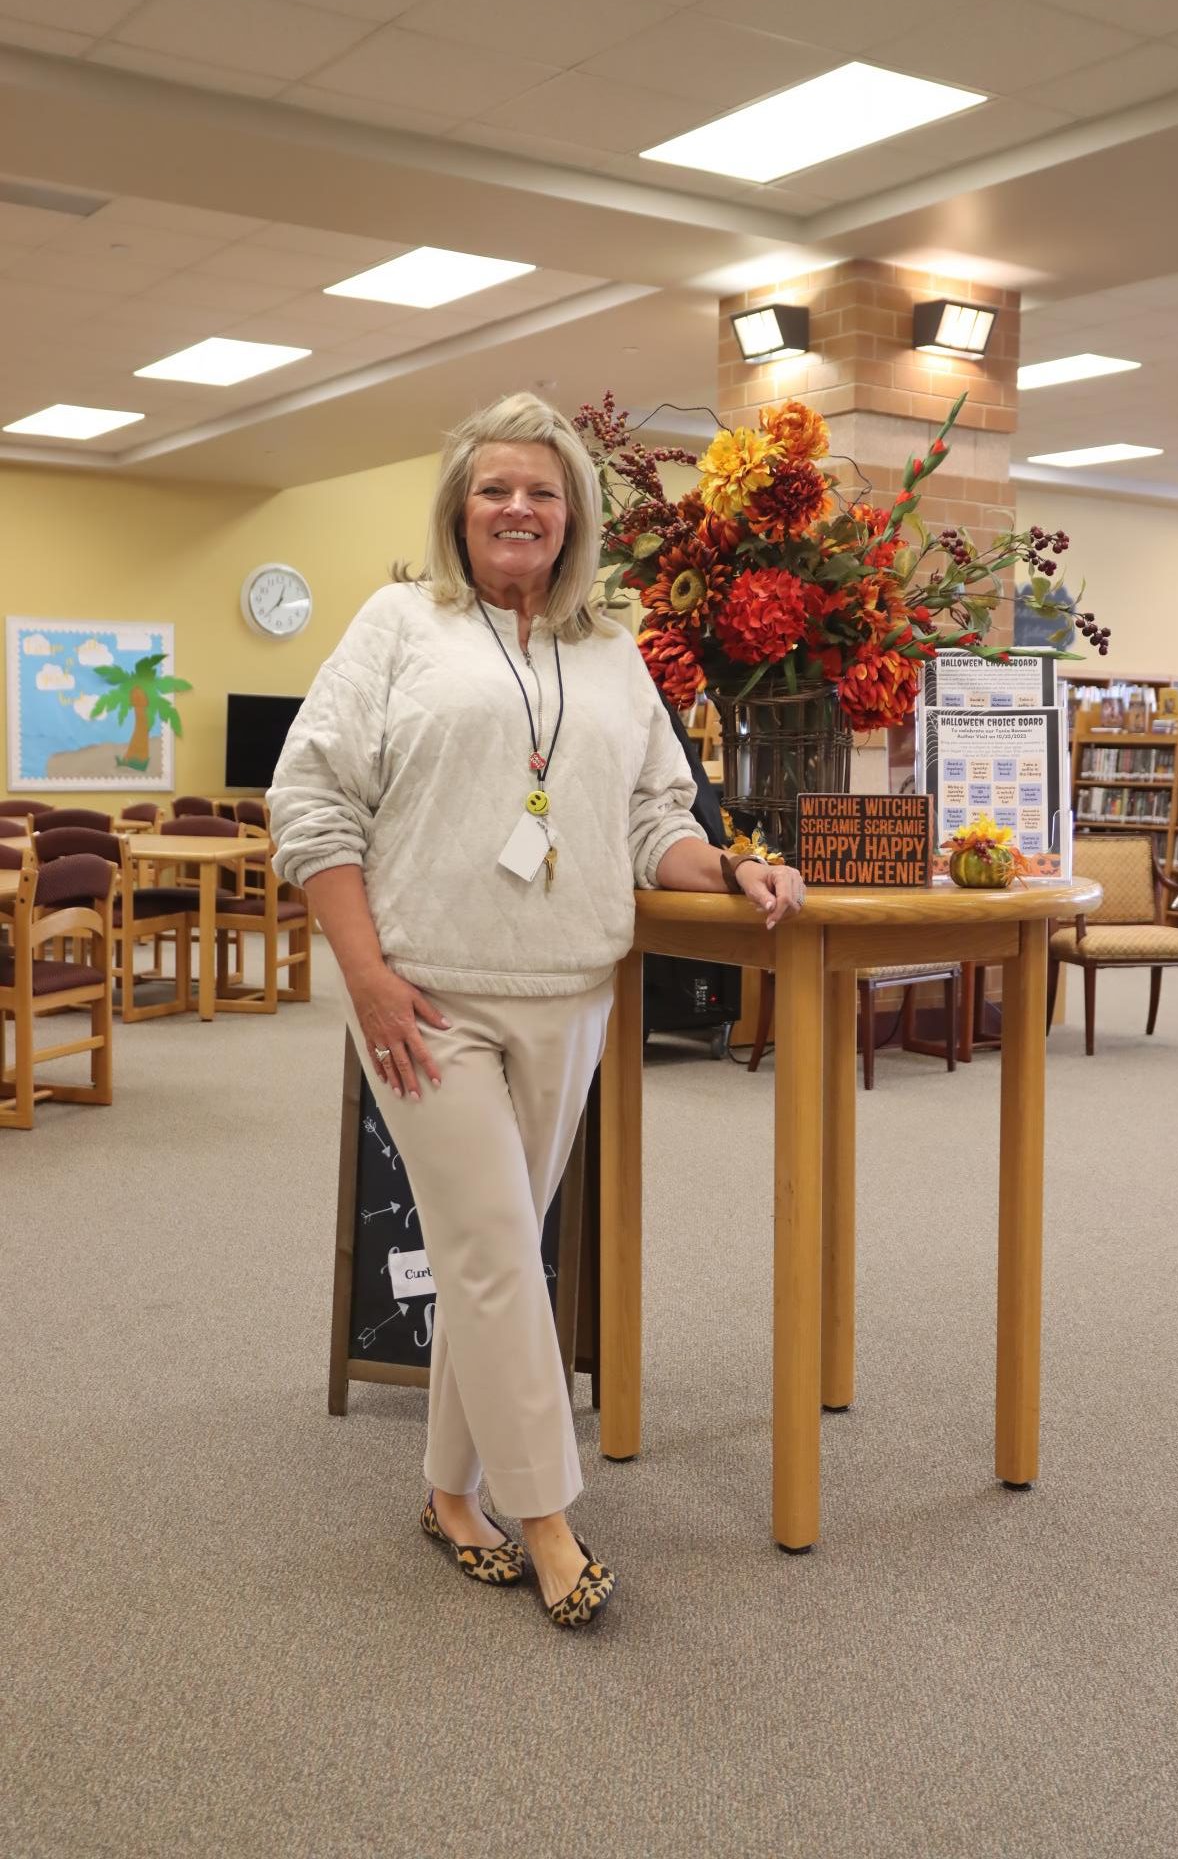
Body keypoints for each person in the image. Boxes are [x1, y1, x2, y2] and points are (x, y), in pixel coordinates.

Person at [269, 392, 804, 1630]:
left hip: (568, 995)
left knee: (483, 1254)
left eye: (542, 491)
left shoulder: (611, 650)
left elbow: (653, 820)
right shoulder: (400, 623)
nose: (519, 508)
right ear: (460, 508)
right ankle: (551, 1524)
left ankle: (449, 1497)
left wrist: (725, 865)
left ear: (574, 518)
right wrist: (363, 975)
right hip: (423, 997)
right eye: (496, 488)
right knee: (507, 1255)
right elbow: (311, 802)